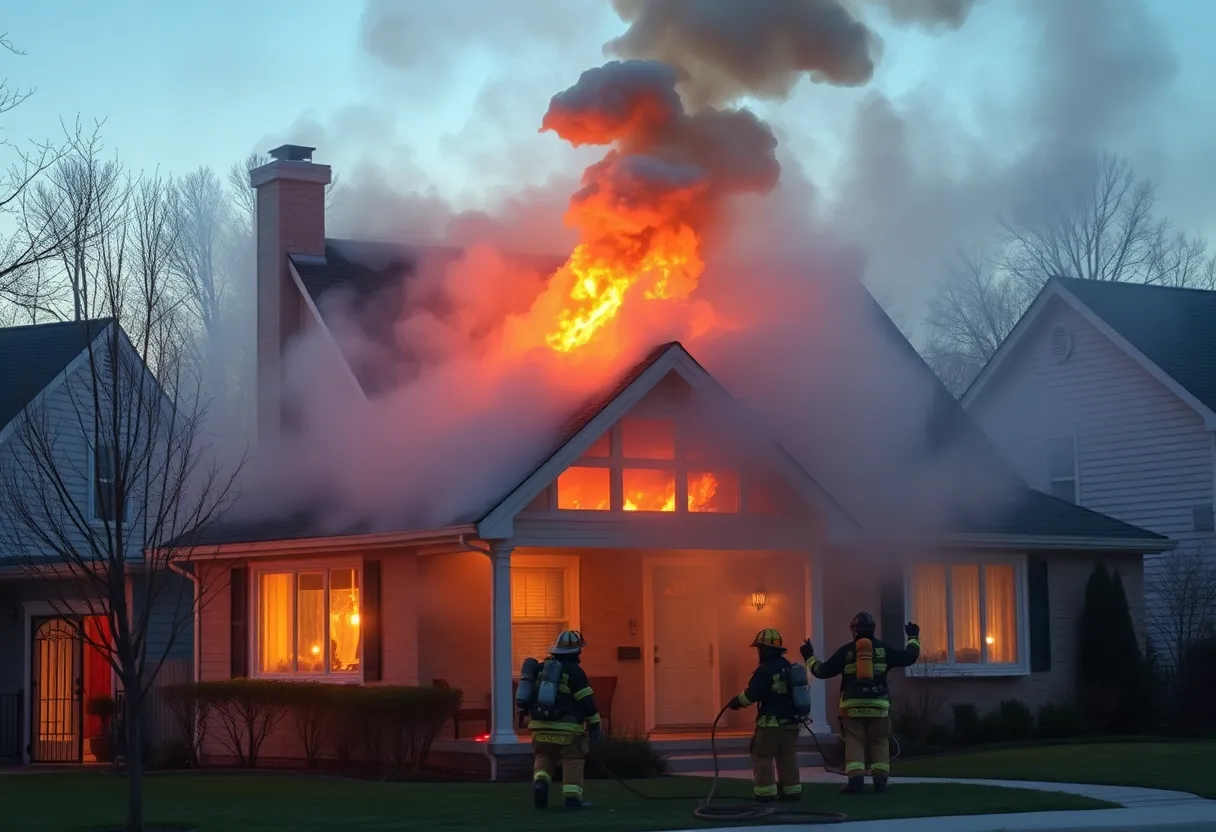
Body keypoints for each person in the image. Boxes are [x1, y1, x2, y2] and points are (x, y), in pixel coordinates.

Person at [802, 613, 920, 794]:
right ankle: (880, 781)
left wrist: (809, 656)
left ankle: (856, 780)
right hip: (879, 706)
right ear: (873, 629)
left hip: (852, 706)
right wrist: (913, 637)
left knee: (854, 740)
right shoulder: (883, 650)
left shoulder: (846, 651)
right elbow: (909, 657)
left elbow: (822, 671)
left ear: (853, 630)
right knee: (879, 740)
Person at [525, 630, 602, 810]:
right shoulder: (575, 672)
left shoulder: (540, 669)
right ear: (577, 652)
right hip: (568, 730)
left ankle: (540, 783)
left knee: (544, 756)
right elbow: (586, 701)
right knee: (573, 759)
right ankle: (572, 799)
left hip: (540, 728)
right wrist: (595, 725)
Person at [727, 628, 806, 803]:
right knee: (787, 755)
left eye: (759, 648)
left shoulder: (764, 670)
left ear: (764, 649)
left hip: (771, 723)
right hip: (791, 723)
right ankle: (792, 790)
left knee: (762, 755)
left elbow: (752, 694)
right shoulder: (788, 666)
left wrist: (736, 702)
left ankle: (765, 793)